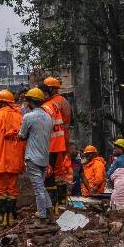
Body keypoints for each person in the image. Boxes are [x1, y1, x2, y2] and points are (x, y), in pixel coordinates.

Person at [0, 89, 24, 227]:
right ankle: (11, 218)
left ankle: (1, 219)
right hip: (15, 160)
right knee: (12, 189)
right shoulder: (20, 117)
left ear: (1, 103)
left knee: (0, 190)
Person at [18, 87, 54, 221]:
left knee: (38, 189)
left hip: (32, 158)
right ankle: (50, 213)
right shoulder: (48, 117)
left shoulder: (28, 116)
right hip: (44, 158)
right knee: (41, 187)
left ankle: (42, 215)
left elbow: (22, 136)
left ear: (29, 102)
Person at [42, 76, 74, 211]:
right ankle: (62, 200)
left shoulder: (53, 103)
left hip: (56, 138)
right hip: (63, 137)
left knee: (54, 171)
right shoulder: (63, 100)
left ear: (49, 89)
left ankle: (55, 203)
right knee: (60, 170)